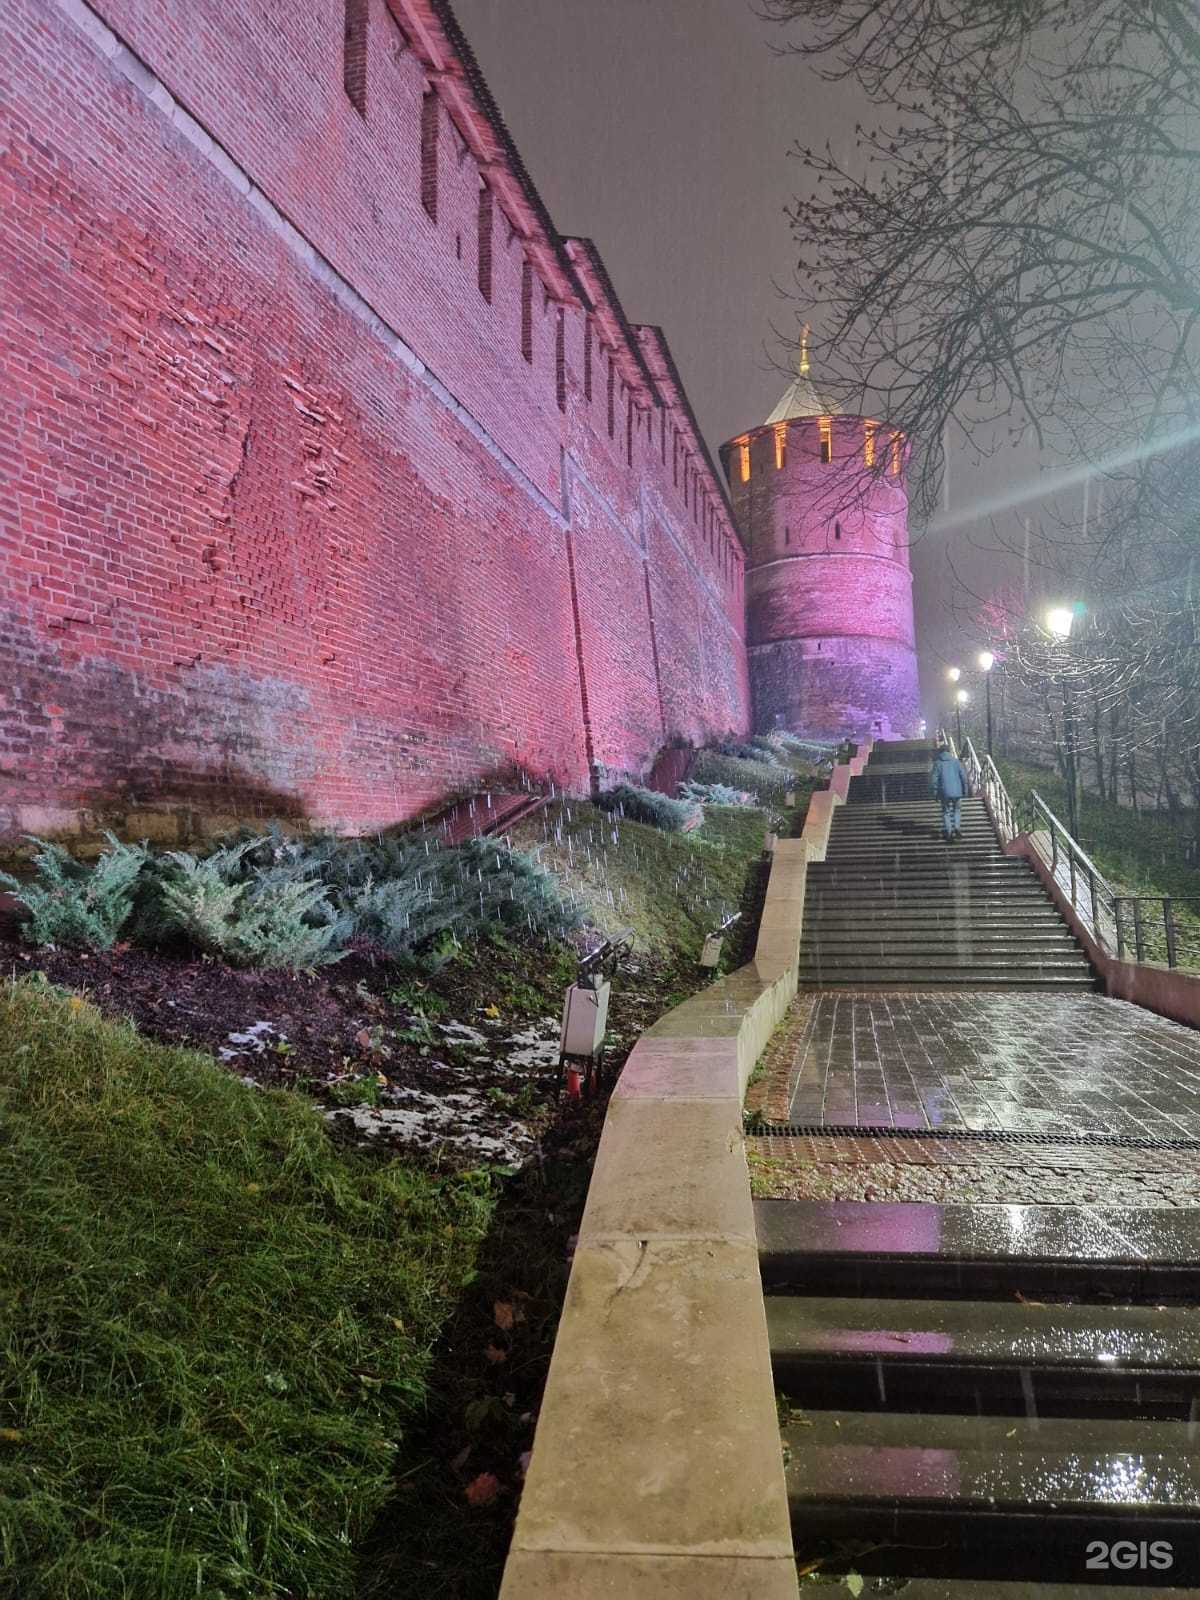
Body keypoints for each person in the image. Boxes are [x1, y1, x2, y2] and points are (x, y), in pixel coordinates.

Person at [930, 740, 969, 840]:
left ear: (940, 752)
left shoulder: (938, 763)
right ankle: (957, 827)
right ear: (949, 752)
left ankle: (949, 831)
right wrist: (965, 790)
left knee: (946, 812)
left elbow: (934, 780)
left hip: (944, 793)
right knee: (957, 810)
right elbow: (963, 777)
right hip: (957, 791)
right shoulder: (956, 762)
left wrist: (934, 793)